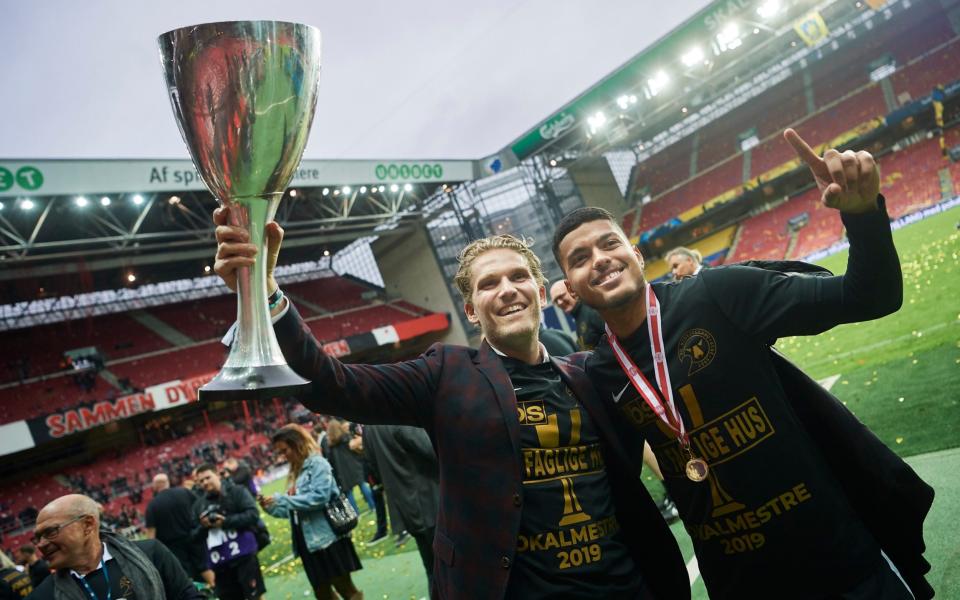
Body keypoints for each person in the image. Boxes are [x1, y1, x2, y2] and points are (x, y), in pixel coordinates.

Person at [213, 212, 689, 600]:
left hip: (624, 586)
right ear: (470, 310)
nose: (507, 290)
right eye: (488, 284)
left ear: (541, 293)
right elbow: (333, 385)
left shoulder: (588, 373)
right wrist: (267, 293)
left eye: (519, 277)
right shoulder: (445, 374)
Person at [552, 129, 933, 599]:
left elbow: (869, 296)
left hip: (838, 564)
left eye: (610, 244)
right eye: (580, 258)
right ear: (569, 283)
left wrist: (862, 217)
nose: (600, 260)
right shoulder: (600, 372)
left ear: (635, 252)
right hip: (739, 584)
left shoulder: (718, 293)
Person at [259, 424, 363, 600]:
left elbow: (320, 497)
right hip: (307, 542)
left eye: (285, 450)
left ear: (297, 444)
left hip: (327, 539)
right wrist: (271, 507)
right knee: (322, 594)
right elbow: (294, 510)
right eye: (279, 453)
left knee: (346, 589)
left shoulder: (317, 464)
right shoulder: (296, 472)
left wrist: (282, 499)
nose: (283, 456)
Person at [27, 494, 200, 599]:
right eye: (37, 537)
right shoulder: (44, 595)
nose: (41, 545)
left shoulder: (150, 553)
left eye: (51, 532)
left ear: (87, 525)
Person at [358, 425, 439, 591]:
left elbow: (373, 467)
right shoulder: (398, 419)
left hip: (406, 508)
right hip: (431, 502)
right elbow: (434, 451)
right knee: (449, 569)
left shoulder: (369, 428)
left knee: (433, 571)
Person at [192, 464, 266, 600]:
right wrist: (204, 527)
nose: (205, 483)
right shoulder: (199, 505)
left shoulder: (237, 492)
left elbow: (253, 514)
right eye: (201, 481)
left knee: (255, 597)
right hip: (220, 564)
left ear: (217, 475)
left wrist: (225, 521)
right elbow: (193, 536)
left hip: (244, 556)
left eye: (208, 478)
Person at [145, 473, 215, 589]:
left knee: (184, 576)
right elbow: (200, 508)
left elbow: (150, 537)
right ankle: (215, 589)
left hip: (174, 548)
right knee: (204, 566)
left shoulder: (152, 506)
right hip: (194, 536)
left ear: (155, 487)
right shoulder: (184, 492)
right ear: (168, 482)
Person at [324, 420, 376, 516]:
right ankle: (373, 506)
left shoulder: (330, 445)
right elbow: (355, 449)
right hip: (355, 466)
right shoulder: (347, 437)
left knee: (349, 493)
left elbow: (331, 461)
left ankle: (356, 513)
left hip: (342, 471)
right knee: (363, 485)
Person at [548, 280, 605, 350]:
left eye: (561, 296)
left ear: (572, 291)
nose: (559, 302)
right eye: (556, 301)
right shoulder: (579, 317)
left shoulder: (593, 310)